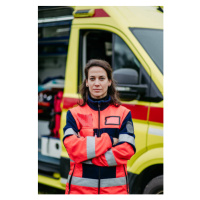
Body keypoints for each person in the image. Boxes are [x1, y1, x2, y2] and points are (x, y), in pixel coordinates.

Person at [63, 59, 136, 194]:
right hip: (80, 191)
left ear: (109, 82)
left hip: (114, 192)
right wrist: (109, 140)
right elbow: (73, 149)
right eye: (92, 78)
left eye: (101, 78)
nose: (97, 83)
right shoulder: (74, 114)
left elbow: (127, 149)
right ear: (87, 82)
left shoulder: (123, 113)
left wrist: (90, 156)